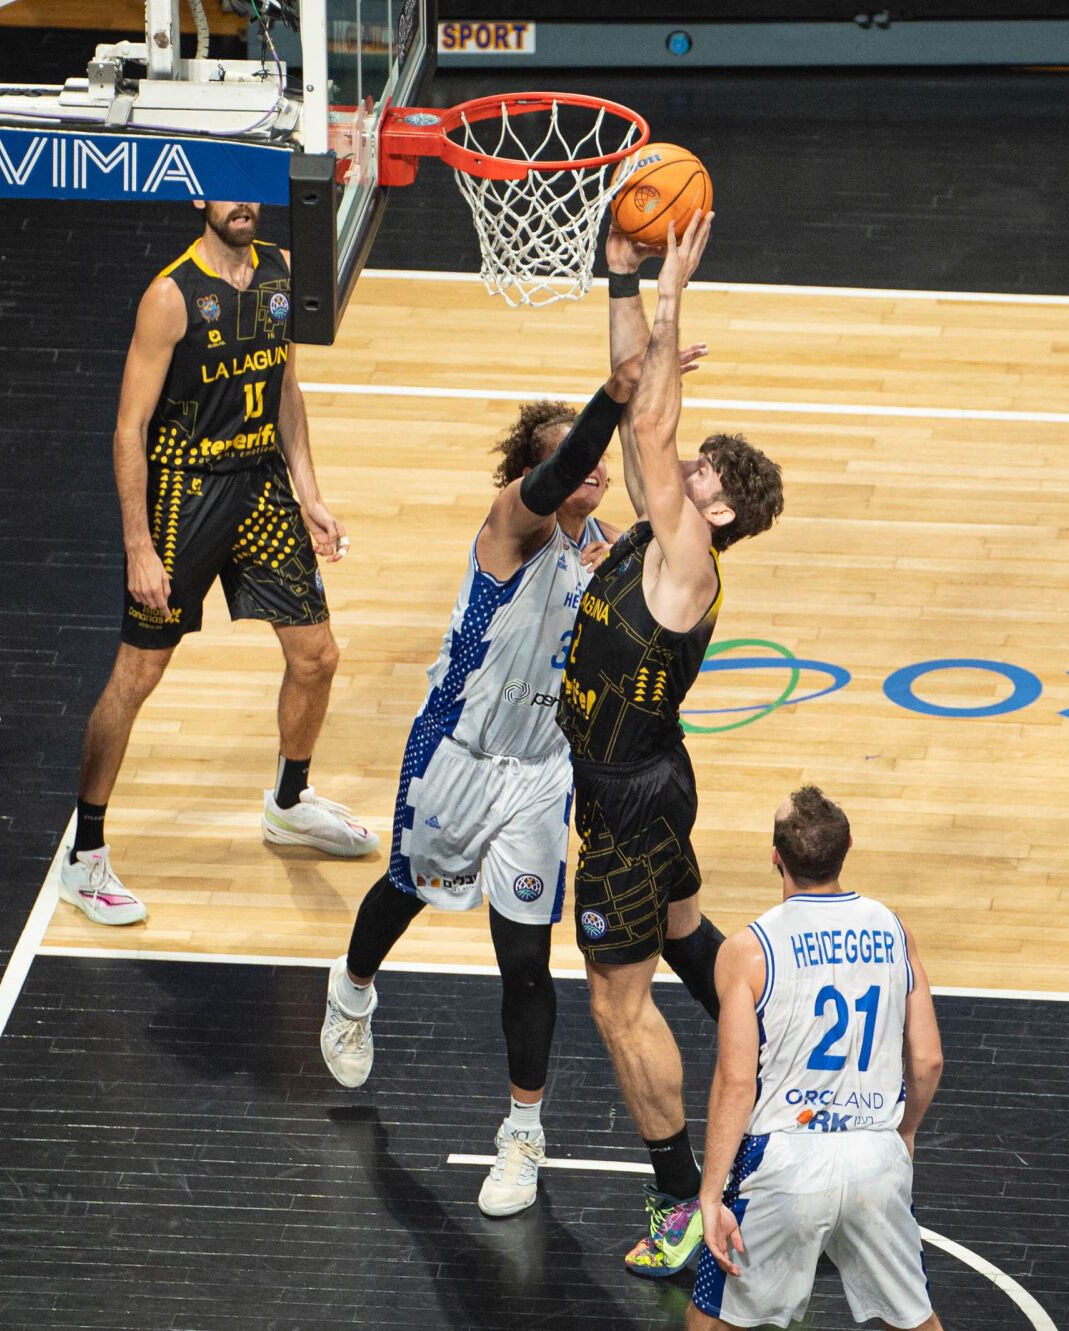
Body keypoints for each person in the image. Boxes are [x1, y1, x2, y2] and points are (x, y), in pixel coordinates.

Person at [316, 321, 707, 1216]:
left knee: (525, 960)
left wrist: (651, 387)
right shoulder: (509, 524)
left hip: (540, 772)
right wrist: (612, 398)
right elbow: (560, 472)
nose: (593, 468)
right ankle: (353, 985)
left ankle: (522, 1134)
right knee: (406, 889)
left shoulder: (611, 553)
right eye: (573, 457)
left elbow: (665, 491)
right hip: (457, 753)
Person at [561, 213, 786, 1278]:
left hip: (625, 797)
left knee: (615, 999)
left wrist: (672, 290)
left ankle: (676, 1195)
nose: (683, 468)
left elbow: (647, 430)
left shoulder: (689, 559)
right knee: (689, 929)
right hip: (648, 780)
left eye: (702, 475)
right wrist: (621, 280)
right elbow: (632, 406)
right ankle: (777, 1067)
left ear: (722, 511)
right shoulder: (662, 536)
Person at [58, 200, 378, 926]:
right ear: (201, 201)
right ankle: (85, 856)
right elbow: (127, 429)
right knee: (138, 673)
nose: (244, 207)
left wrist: (310, 495)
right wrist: (138, 544)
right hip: (183, 493)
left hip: (261, 485)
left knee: (317, 656)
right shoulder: (170, 297)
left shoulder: (282, 273)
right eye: (227, 194)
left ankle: (290, 803)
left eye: (250, 193)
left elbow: (285, 392)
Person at [691, 787, 944, 1331]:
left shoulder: (746, 951)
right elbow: (927, 1062)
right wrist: (904, 1132)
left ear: (775, 855)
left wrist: (710, 1195)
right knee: (915, 1320)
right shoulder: (895, 930)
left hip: (784, 1161)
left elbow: (737, 1084)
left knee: (713, 1316)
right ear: (849, 846)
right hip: (874, 1154)